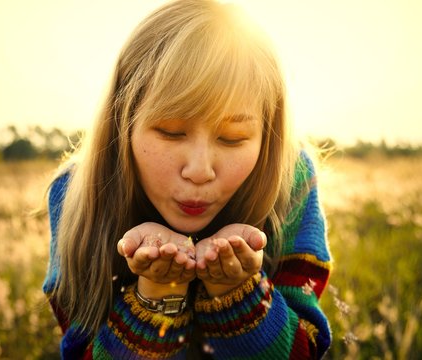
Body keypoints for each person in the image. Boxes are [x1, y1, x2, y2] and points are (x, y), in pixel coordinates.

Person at [43, 0, 332, 358]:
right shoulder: (73, 195)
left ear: (267, 134)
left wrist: (236, 292)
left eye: (232, 138)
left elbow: (305, 351)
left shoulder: (292, 180)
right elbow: (78, 350)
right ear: (123, 121)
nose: (199, 170)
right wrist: (158, 293)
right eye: (170, 131)